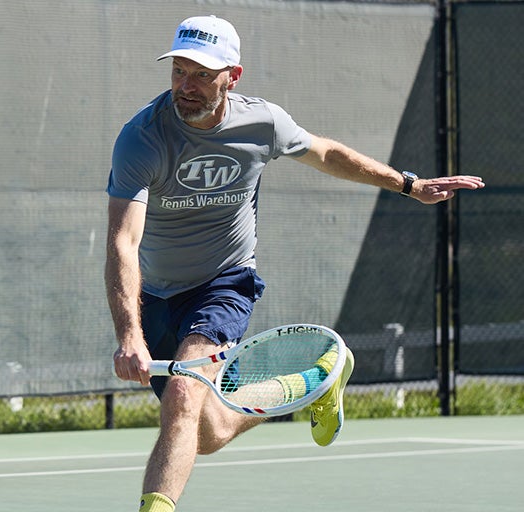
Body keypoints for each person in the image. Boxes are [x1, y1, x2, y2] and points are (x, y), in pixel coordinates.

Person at [104, 15, 485, 512]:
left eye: (200, 74)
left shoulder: (262, 123)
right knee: (209, 431)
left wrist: (408, 185)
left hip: (223, 282)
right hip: (155, 292)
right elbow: (122, 243)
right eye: (178, 71)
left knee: (182, 393)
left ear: (231, 77)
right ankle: (313, 380)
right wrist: (130, 334)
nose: (186, 86)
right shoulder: (142, 137)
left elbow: (326, 153)